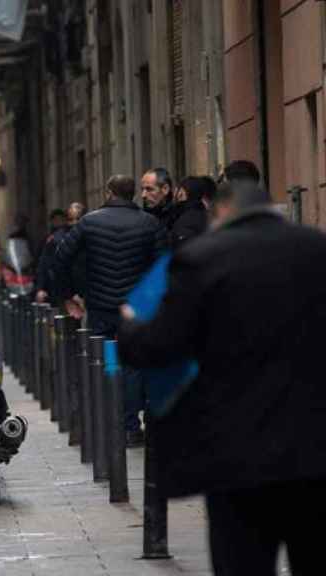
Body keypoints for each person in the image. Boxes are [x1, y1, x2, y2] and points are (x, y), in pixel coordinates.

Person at [118, 177, 326, 576]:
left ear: (222, 211)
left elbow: (158, 345)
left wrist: (129, 325)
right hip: (317, 451)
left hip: (236, 455)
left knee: (242, 563)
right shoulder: (317, 250)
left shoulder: (201, 259)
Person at [51, 175, 165, 445]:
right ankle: (130, 426)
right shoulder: (150, 224)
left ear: (108, 191)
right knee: (133, 366)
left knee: (100, 362)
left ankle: (106, 422)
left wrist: (68, 296)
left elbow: (60, 258)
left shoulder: (89, 222)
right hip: (136, 309)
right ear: (133, 194)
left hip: (100, 306)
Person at [33, 209, 69, 305]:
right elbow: (42, 264)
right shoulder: (49, 240)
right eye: (56, 220)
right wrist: (40, 288)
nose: (59, 222)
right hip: (53, 285)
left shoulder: (73, 235)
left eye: (61, 219)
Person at [167, 176, 214, 247]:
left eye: (177, 191)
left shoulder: (183, 222)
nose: (174, 196)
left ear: (181, 194)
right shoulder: (211, 218)